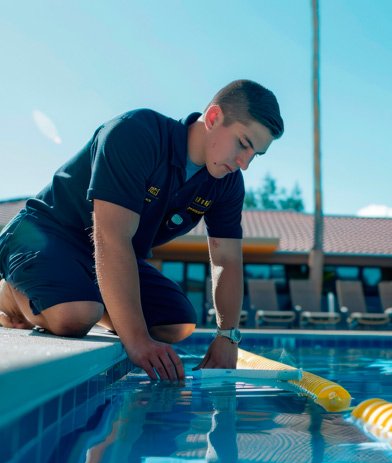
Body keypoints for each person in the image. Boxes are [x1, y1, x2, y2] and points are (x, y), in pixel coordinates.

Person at [0, 79, 284, 381]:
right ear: (213, 118)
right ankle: (8, 295)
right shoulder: (136, 133)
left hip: (103, 258)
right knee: (77, 316)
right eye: (243, 143)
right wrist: (136, 340)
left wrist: (227, 336)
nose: (245, 163)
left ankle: (75, 293)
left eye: (256, 154)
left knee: (176, 323)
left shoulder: (226, 183)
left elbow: (226, 260)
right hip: (46, 234)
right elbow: (112, 237)